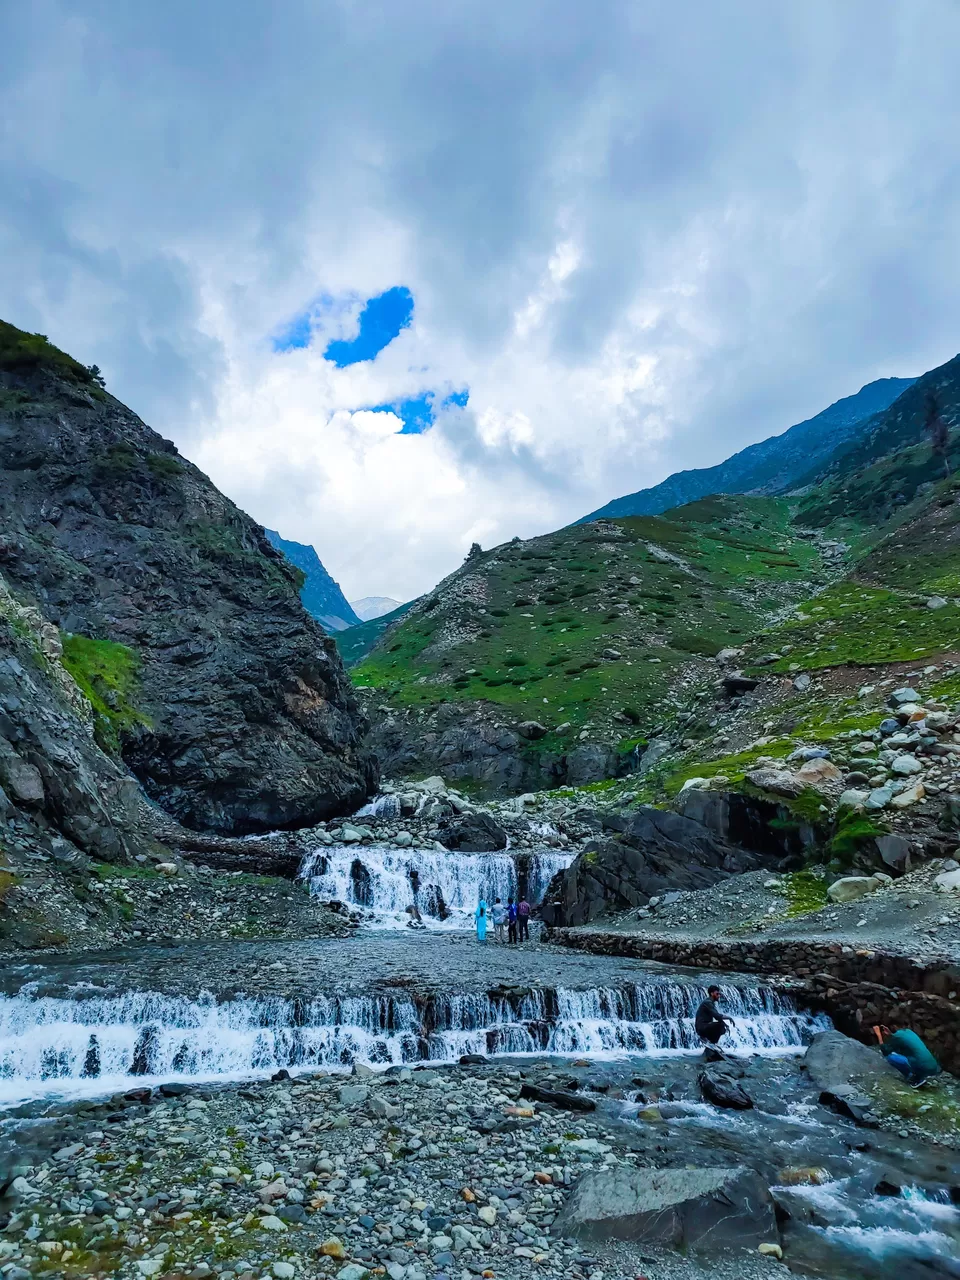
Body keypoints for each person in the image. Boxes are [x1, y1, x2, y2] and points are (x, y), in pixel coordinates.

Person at [875, 1025, 941, 1086]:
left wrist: (878, 1035)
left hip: (923, 1066)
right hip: (933, 1067)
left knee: (890, 1057)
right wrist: (891, 1034)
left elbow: (885, 1051)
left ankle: (913, 1078)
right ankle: (919, 1075)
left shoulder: (897, 1037)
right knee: (913, 1057)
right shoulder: (909, 1032)